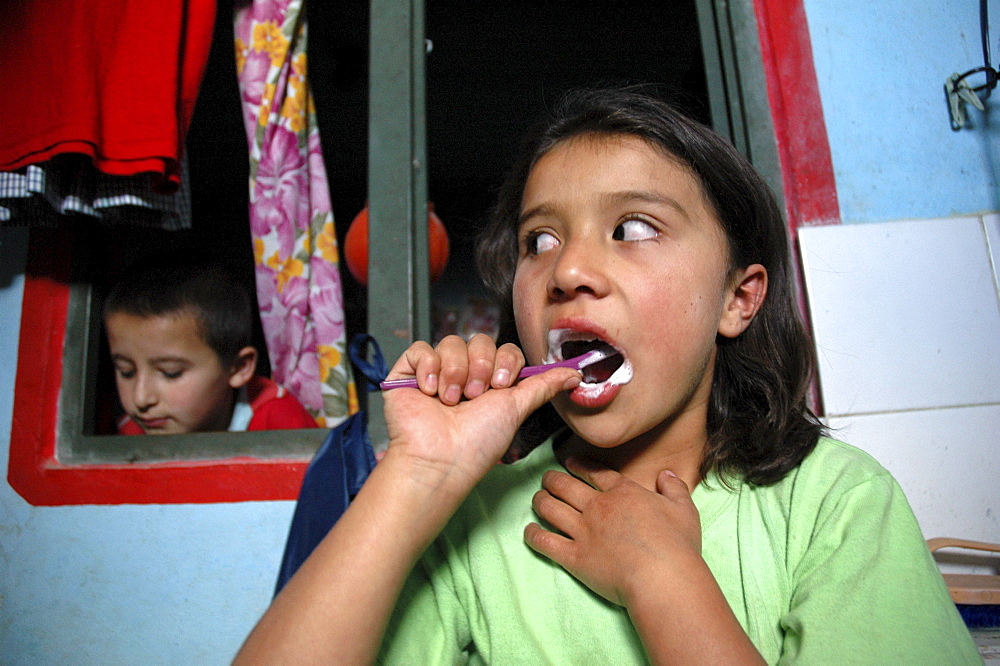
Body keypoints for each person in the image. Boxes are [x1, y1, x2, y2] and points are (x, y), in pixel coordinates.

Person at [235, 88, 980, 663]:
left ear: (737, 297)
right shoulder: (470, 521)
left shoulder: (837, 503)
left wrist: (662, 581)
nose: (569, 269)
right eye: (541, 239)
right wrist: (419, 478)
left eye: (632, 229)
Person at [103, 254, 317, 435]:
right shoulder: (130, 431)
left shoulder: (281, 425)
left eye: (171, 373)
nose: (141, 399)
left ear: (239, 367)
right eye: (127, 372)